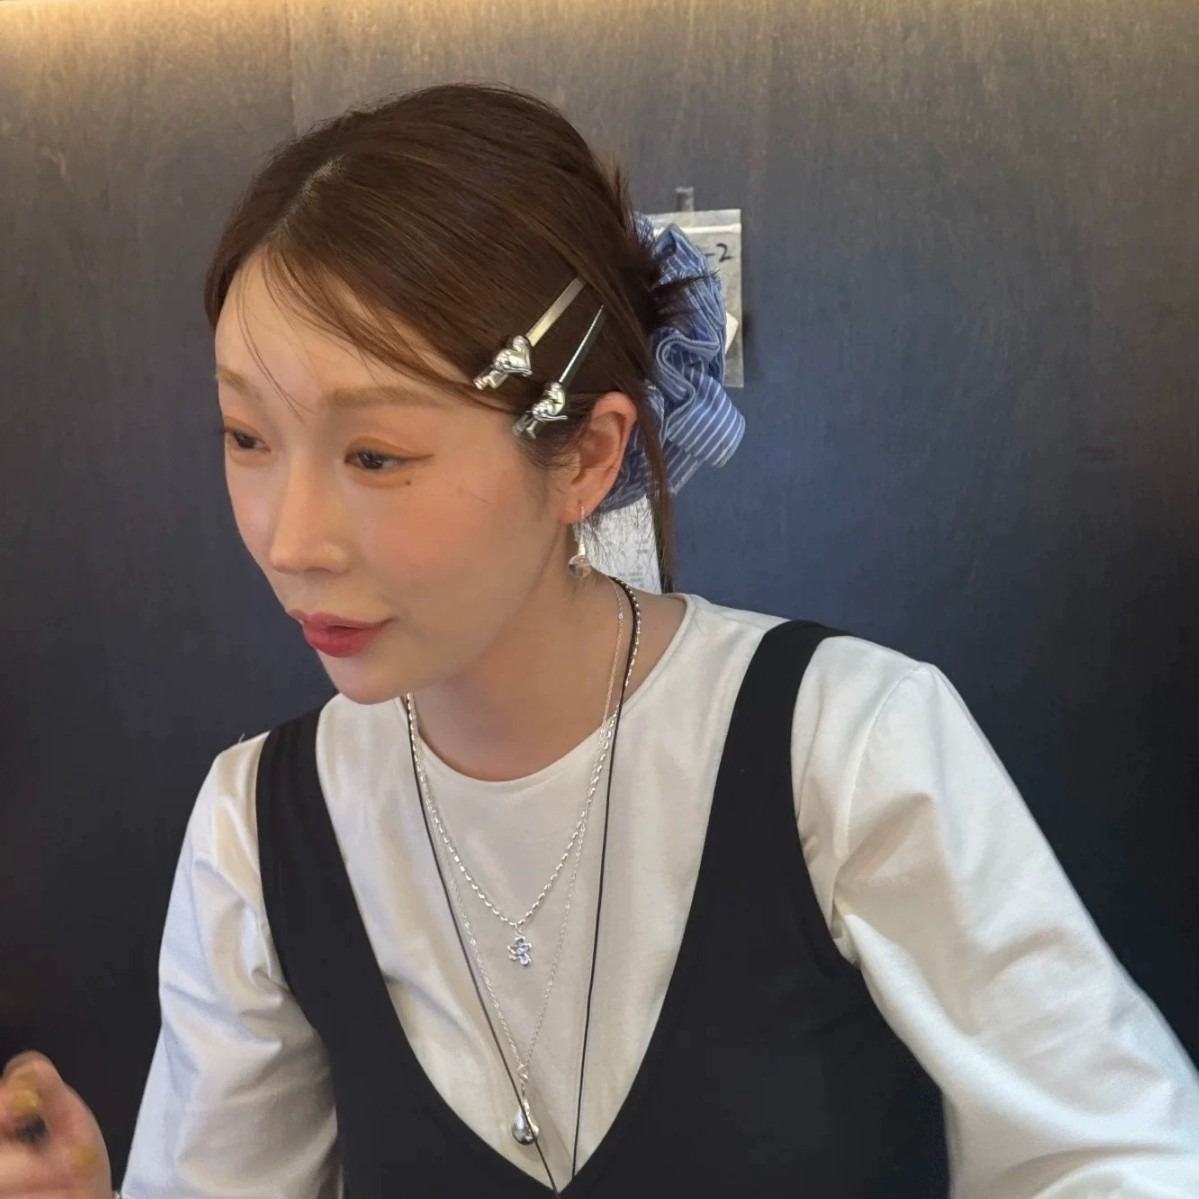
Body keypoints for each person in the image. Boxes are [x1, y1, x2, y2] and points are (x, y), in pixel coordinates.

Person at [2, 82, 1198, 1199]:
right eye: (246, 436)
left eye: (374, 453)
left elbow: (1118, 1155)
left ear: (583, 454)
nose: (288, 536)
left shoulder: (844, 745)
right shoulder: (257, 830)